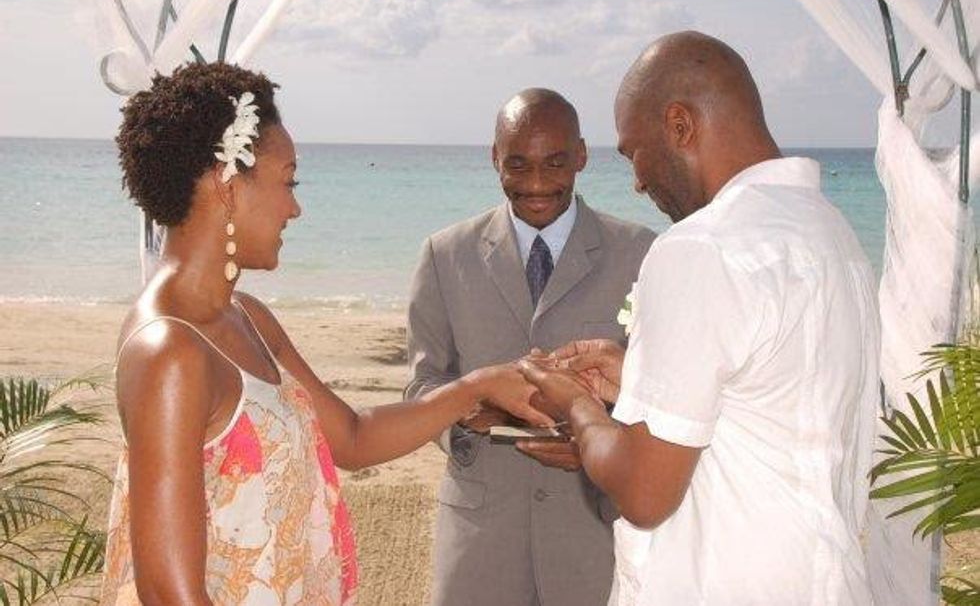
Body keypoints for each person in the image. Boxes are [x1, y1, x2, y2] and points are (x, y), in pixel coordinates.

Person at [100, 62, 547, 605]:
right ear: (226, 183)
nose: (295, 207)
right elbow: (170, 595)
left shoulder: (248, 318)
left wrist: (478, 386)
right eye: (288, 181)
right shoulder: (169, 351)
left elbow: (352, 438)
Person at [518, 32, 879, 605]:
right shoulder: (831, 234)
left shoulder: (703, 247)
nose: (638, 182)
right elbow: (772, 406)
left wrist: (576, 405)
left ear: (680, 125)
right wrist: (639, 381)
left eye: (634, 153)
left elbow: (644, 492)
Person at [403, 88, 655, 606]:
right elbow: (421, 387)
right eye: (517, 164)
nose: (536, 184)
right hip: (479, 542)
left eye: (555, 163)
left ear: (581, 156)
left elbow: (658, 392)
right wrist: (468, 415)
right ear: (495, 158)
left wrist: (597, 443)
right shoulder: (444, 254)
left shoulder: (641, 253)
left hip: (593, 536)